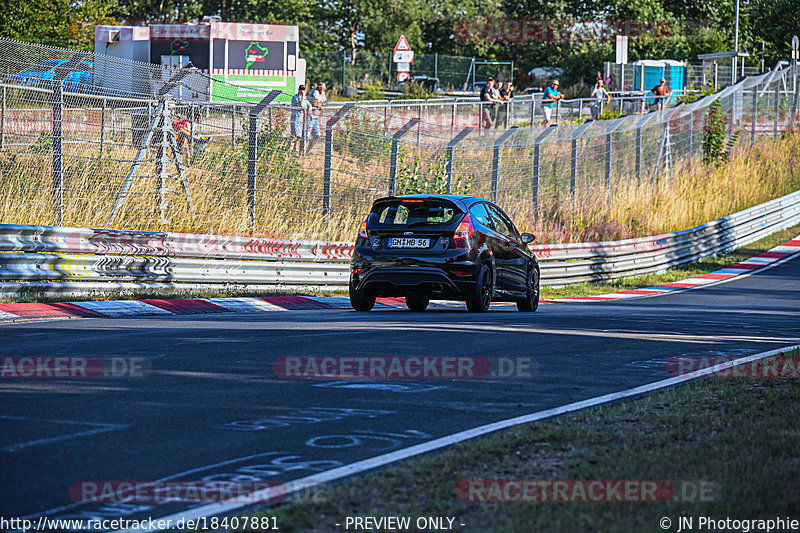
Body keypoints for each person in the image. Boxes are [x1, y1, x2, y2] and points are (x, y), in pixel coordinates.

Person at [290, 84, 309, 152]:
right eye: (301, 89)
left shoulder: (305, 98)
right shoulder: (295, 97)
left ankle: (296, 151)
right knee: (296, 136)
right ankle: (290, 150)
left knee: (300, 136)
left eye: (303, 89)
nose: (302, 91)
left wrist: (310, 106)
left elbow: (307, 104)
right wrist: (303, 96)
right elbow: (301, 105)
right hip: (295, 119)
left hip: (302, 120)